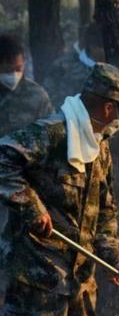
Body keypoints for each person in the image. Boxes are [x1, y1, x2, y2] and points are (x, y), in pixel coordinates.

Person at [0, 63, 119, 316]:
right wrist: (32, 207)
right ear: (108, 107)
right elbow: (3, 159)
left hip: (80, 268)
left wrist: (112, 254)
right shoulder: (53, 132)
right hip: (41, 267)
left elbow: (105, 206)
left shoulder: (98, 145)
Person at [0, 34, 55, 232]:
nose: (14, 75)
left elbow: (51, 138)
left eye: (18, 69)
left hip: (24, 185)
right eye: (8, 70)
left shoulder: (37, 96)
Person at [43, 22, 106, 109]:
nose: (108, 52)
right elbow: (47, 100)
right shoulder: (62, 67)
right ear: (93, 46)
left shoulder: (115, 70)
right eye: (103, 48)